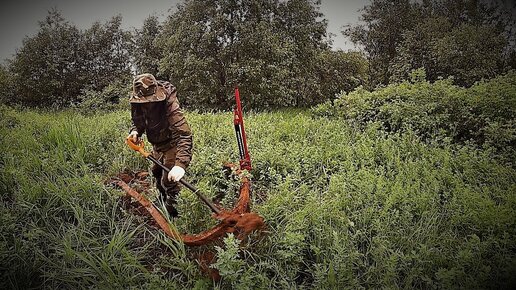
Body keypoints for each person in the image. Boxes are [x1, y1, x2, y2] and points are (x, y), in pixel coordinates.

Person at [127, 73, 193, 218]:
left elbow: (185, 134)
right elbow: (137, 121)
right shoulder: (137, 99)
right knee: (157, 172)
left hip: (172, 143)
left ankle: (175, 213)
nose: (147, 104)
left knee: (169, 180)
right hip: (157, 144)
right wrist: (135, 131)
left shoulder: (169, 102)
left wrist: (180, 165)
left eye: (149, 101)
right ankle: (163, 199)